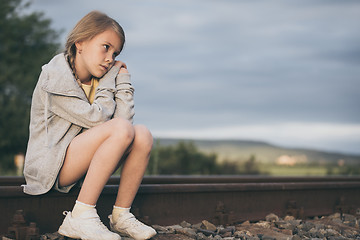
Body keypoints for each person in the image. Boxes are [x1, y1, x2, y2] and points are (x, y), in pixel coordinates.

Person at [22, 11, 156, 240]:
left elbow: (124, 123)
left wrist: (122, 80)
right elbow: (100, 120)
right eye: (105, 47)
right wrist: (109, 82)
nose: (110, 59)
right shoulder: (54, 78)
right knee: (122, 129)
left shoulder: (98, 80)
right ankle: (80, 216)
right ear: (80, 43)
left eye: (115, 53)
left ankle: (121, 216)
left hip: (77, 161)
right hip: (51, 167)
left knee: (142, 134)